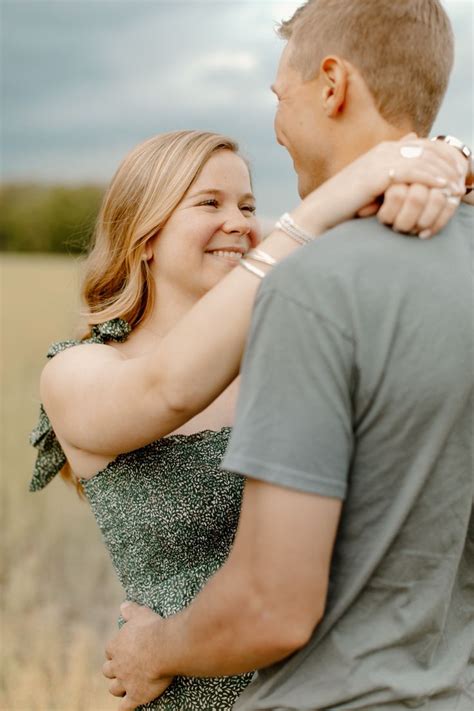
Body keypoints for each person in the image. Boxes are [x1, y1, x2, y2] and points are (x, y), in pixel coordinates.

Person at [102, 1, 473, 710]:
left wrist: (153, 649)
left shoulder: (313, 289)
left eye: (281, 96)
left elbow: (272, 605)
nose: (277, 125)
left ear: (332, 84)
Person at [31, 124, 464, 711]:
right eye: (208, 203)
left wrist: (447, 167)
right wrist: (322, 208)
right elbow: (167, 390)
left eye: (249, 205)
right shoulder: (78, 371)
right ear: (144, 234)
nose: (239, 222)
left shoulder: (292, 352)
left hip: (333, 693)